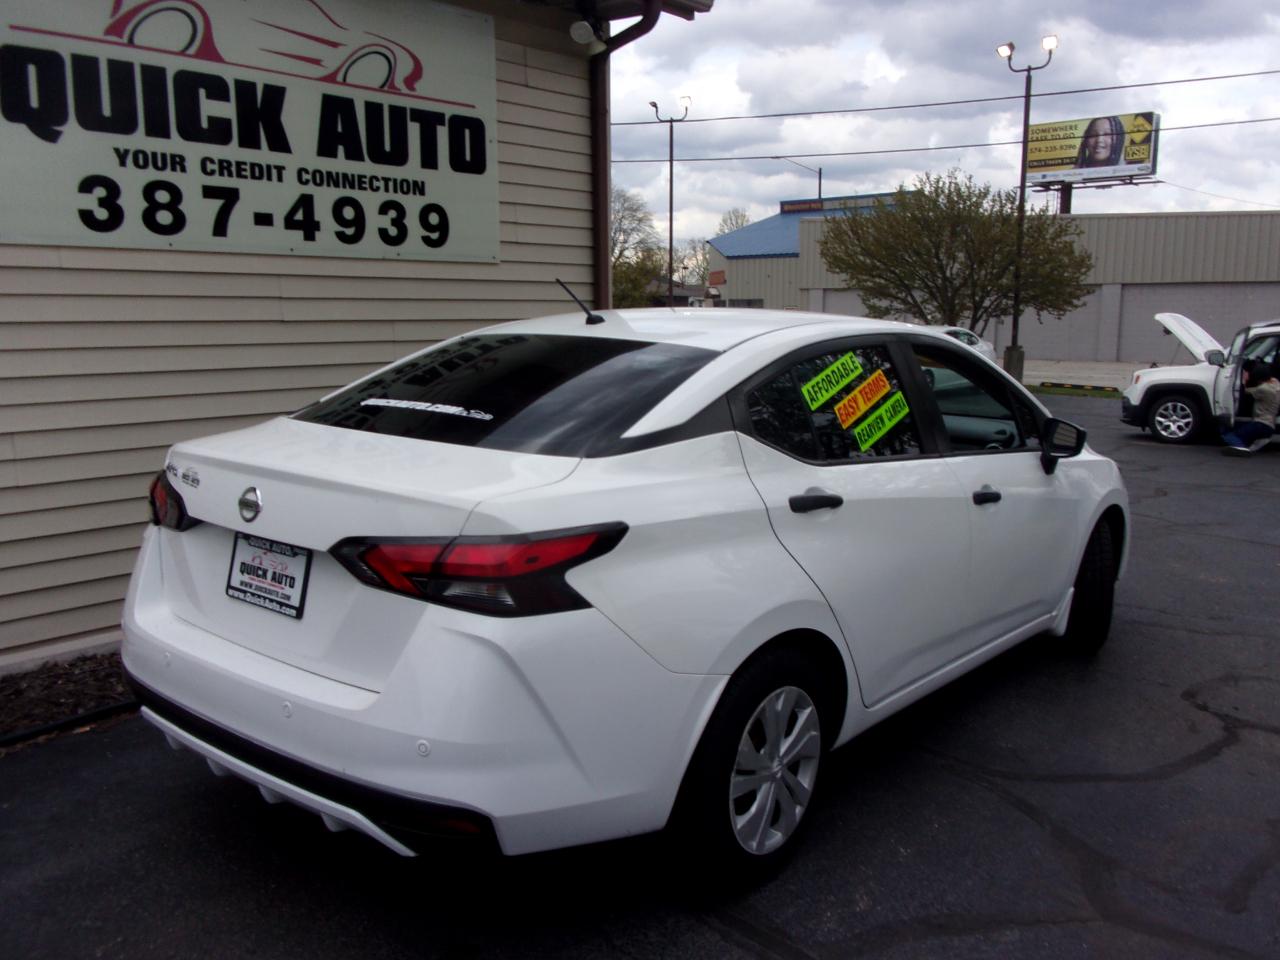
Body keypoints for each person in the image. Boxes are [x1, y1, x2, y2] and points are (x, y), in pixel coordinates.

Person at [1222, 362, 1279, 456]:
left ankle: (1241, 448)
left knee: (1230, 435)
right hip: (1270, 425)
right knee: (1243, 432)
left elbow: (1245, 391)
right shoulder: (1276, 383)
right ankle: (1260, 439)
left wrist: (1245, 380)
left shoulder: (1263, 389)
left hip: (1260, 423)